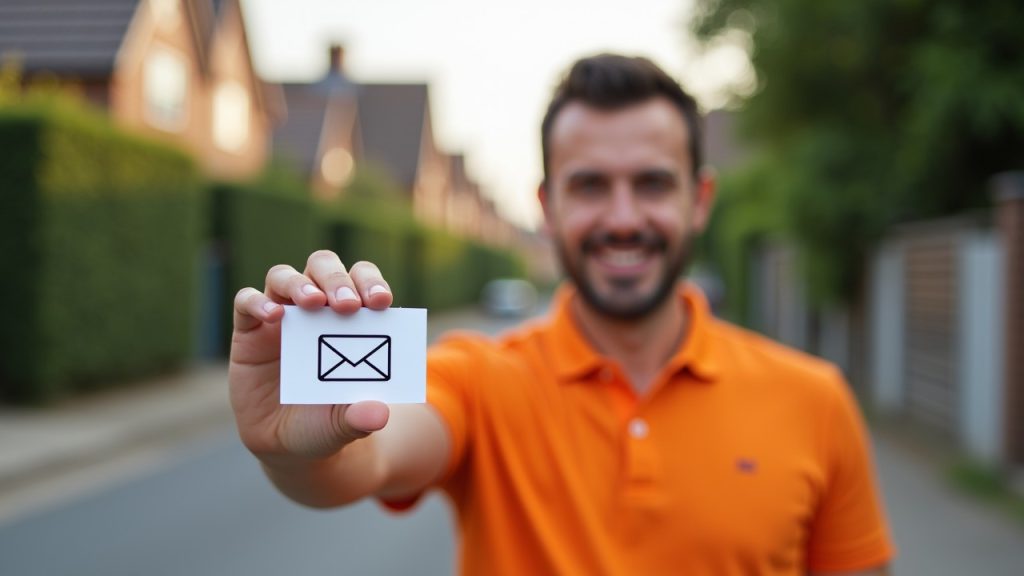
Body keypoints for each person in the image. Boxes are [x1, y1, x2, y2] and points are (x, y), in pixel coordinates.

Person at [229, 54, 895, 575]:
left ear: (701, 199)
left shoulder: (815, 400)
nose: (624, 218)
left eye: (654, 182)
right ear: (548, 208)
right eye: (591, 185)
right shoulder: (479, 378)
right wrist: (293, 448)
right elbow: (367, 458)